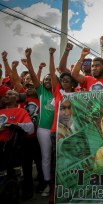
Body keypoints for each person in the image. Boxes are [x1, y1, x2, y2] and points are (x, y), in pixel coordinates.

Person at [23, 48, 55, 197]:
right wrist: (28, 58)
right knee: (46, 157)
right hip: (43, 130)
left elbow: (54, 71)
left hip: (60, 129)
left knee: (59, 158)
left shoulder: (59, 91)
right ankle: (47, 183)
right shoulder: (41, 90)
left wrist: (51, 55)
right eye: (46, 79)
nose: (48, 81)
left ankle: (59, 183)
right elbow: (32, 72)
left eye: (51, 79)